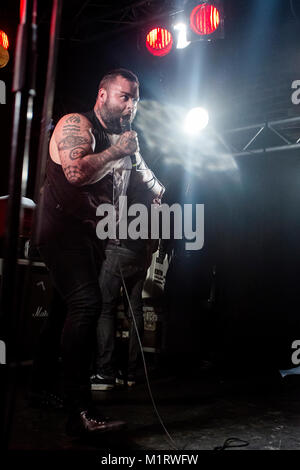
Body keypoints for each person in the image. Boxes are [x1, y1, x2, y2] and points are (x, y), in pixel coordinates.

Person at [33, 68, 163, 435]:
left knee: (62, 311)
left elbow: (152, 184)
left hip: (93, 238)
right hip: (62, 232)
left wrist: (150, 186)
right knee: (88, 304)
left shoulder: (123, 141)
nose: (131, 105)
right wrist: (118, 151)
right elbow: (75, 172)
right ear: (103, 94)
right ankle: (80, 410)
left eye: (136, 98)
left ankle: (41, 388)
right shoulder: (76, 124)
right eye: (125, 96)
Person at [91, 193, 163, 391]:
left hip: (118, 248)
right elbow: (155, 242)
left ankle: (105, 373)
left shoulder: (125, 182)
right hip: (141, 255)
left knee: (105, 308)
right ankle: (130, 372)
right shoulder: (155, 195)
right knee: (135, 311)